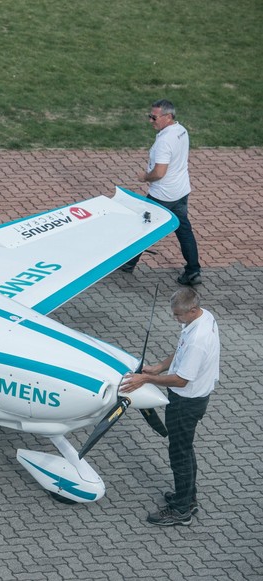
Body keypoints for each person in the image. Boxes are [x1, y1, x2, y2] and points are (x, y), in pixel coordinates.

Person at [119, 287, 220, 526]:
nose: (175, 319)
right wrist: (159, 367)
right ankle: (188, 496)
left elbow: (181, 379)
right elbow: (181, 351)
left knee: (179, 453)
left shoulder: (198, 340)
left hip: (186, 401)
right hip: (194, 397)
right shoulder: (204, 317)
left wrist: (146, 379)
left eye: (178, 315)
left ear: (193, 310)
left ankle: (181, 509)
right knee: (185, 448)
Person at [120, 99, 201, 286]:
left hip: (163, 195)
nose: (150, 120)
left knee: (142, 228)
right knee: (184, 230)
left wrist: (144, 177)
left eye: (153, 117)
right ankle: (193, 270)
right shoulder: (181, 131)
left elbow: (159, 172)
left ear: (168, 116)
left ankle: (129, 263)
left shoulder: (165, 141)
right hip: (181, 191)